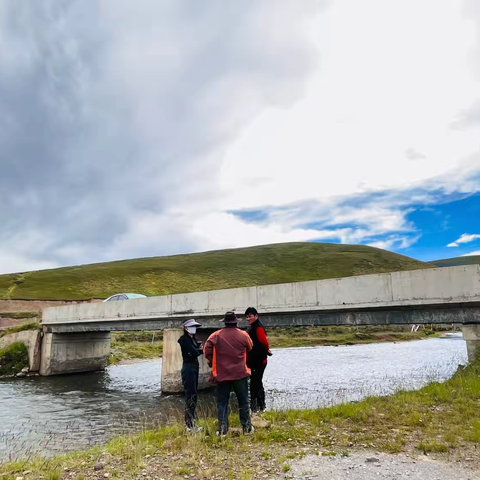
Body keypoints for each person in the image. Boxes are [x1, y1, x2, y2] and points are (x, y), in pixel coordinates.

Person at [204, 311, 254, 436]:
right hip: (240, 373)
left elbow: (206, 349)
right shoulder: (243, 335)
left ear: (225, 323)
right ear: (236, 322)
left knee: (222, 402)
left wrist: (211, 360)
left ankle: (222, 430)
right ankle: (247, 428)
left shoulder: (215, 335)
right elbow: (250, 347)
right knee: (243, 401)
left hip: (222, 374)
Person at [178, 318, 204, 432]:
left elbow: (196, 351)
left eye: (195, 327)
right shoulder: (184, 339)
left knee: (193, 395)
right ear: (186, 328)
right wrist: (201, 350)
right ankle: (189, 425)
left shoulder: (192, 339)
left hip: (193, 369)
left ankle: (191, 422)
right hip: (188, 369)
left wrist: (199, 350)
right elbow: (194, 352)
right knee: (190, 396)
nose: (194, 329)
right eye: (192, 327)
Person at [245, 307, 271, 413]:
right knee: (256, 383)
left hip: (258, 361)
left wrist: (266, 350)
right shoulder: (253, 327)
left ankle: (258, 407)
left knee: (255, 384)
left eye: (250, 316)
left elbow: (264, 342)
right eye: (247, 316)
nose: (248, 318)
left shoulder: (258, 327)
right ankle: (259, 407)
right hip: (256, 360)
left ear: (256, 316)